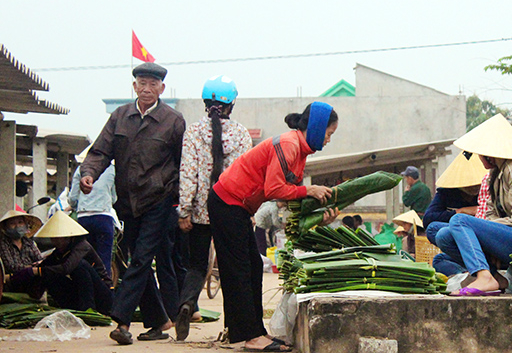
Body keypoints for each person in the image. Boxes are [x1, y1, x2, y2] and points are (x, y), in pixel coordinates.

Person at [208, 101, 340, 352]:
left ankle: (250, 332)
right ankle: (250, 336)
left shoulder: (299, 151)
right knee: (239, 269)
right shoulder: (289, 145)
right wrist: (308, 189)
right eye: (329, 133)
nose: (329, 139)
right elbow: (275, 190)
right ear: (316, 127)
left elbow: (288, 199)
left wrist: (320, 218)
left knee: (253, 265)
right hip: (227, 201)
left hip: (238, 206)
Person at [80, 62, 186, 345]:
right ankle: (160, 320)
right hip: (127, 202)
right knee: (134, 260)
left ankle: (122, 320)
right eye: (142, 83)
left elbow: (182, 165)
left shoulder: (173, 120)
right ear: (135, 86)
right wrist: (89, 174)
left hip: (159, 200)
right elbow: (100, 151)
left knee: (141, 258)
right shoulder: (120, 116)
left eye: (153, 84)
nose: (147, 89)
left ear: (162, 88)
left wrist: (181, 203)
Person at [434, 114, 512, 296]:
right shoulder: (495, 174)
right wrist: (485, 231)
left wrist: (482, 229)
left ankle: (485, 278)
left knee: (460, 221)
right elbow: (491, 215)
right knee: (443, 234)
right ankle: (493, 276)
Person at [175, 75, 252, 341]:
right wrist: (247, 211)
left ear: (205, 102)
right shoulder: (241, 134)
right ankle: (234, 326)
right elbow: (246, 176)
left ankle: (186, 304)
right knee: (232, 268)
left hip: (201, 212)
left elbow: (188, 173)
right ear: (232, 104)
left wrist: (184, 210)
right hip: (231, 210)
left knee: (196, 266)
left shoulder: (194, 132)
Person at [31, 211, 113, 315]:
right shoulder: (58, 252)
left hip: (102, 296)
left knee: (80, 266)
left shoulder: (82, 246)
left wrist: (38, 271)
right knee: (49, 273)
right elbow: (45, 266)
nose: (55, 241)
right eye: (53, 238)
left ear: (67, 237)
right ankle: (68, 307)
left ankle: (88, 310)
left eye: (58, 238)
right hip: (78, 295)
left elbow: (67, 268)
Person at [423, 151, 488, 276]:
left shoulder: (488, 189)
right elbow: (428, 219)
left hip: (484, 235)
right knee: (438, 258)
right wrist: (460, 212)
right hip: (462, 241)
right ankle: (468, 274)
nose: (473, 188)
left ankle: (480, 269)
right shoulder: (447, 193)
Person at [68, 164, 120, 275]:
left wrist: (77, 205)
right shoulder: (111, 169)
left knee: (85, 259)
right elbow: (114, 198)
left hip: (84, 219)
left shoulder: (81, 169)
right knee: (104, 261)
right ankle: (106, 289)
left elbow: (72, 198)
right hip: (104, 218)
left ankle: (87, 289)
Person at [0, 210, 43, 298]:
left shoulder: (28, 242)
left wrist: (36, 267)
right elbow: (11, 266)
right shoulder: (3, 243)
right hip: (12, 281)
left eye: (20, 222)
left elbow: (39, 259)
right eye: (12, 224)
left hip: (31, 278)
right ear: (6, 227)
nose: (17, 226)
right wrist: (31, 269)